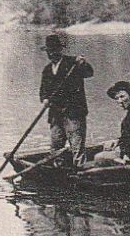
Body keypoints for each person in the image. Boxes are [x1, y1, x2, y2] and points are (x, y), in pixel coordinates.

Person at [39, 32, 93, 164]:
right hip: (55, 114)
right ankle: (58, 172)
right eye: (48, 51)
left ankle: (81, 172)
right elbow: (42, 91)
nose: (51, 54)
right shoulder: (47, 70)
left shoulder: (73, 63)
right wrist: (45, 99)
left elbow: (89, 73)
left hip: (74, 113)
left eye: (53, 50)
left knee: (77, 146)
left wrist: (84, 63)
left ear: (59, 50)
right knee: (56, 146)